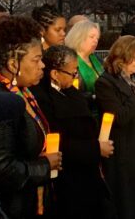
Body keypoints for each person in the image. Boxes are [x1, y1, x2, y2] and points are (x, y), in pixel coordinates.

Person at [0, 16, 61, 219]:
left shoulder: (21, 91)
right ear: (13, 64)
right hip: (7, 208)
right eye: (36, 60)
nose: (43, 66)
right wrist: (45, 166)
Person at [31, 45, 115, 219]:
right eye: (72, 72)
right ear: (55, 74)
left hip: (88, 173)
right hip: (69, 178)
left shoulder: (70, 92)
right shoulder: (44, 98)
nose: (76, 76)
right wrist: (95, 149)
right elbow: (59, 140)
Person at [95, 36, 135, 219]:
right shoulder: (106, 83)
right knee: (128, 207)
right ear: (124, 57)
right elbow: (119, 117)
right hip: (124, 156)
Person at [65, 20, 103, 117]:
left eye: (97, 38)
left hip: (102, 112)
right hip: (84, 113)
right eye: (91, 37)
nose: (96, 41)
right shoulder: (69, 61)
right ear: (79, 37)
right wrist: (94, 96)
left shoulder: (97, 59)